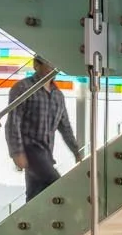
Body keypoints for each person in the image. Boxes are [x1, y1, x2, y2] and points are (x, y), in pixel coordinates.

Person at [6, 58, 80, 201]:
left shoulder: (58, 95)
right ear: (36, 65)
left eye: (54, 63)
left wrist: (76, 151)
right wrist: (16, 152)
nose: (52, 66)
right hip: (30, 150)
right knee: (57, 186)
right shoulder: (22, 88)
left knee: (35, 196)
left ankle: (30, 222)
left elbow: (65, 126)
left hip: (47, 153)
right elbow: (13, 122)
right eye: (48, 62)